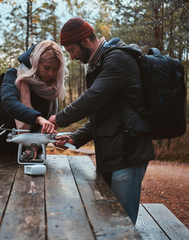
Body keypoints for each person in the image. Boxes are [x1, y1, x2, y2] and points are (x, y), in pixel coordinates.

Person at [49, 18, 155, 224]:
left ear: (86, 41)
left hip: (128, 154)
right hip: (113, 153)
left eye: (72, 50)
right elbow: (103, 113)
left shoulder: (117, 60)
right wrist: (74, 138)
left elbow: (92, 98)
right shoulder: (101, 63)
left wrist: (57, 118)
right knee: (107, 220)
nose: (71, 56)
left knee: (122, 225)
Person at [0, 40, 67, 157]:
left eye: (55, 69)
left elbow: (49, 120)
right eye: (47, 68)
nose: (51, 74)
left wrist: (35, 146)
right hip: (1, 148)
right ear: (36, 64)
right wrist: (38, 118)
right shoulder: (13, 75)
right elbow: (10, 103)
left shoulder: (52, 88)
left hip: (33, 151)